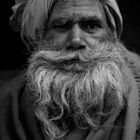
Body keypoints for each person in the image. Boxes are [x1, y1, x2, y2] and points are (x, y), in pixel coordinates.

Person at [0, 0, 140, 140]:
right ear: (40, 37)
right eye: (61, 26)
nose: (76, 40)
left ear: (112, 36)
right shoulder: (7, 106)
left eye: (91, 25)